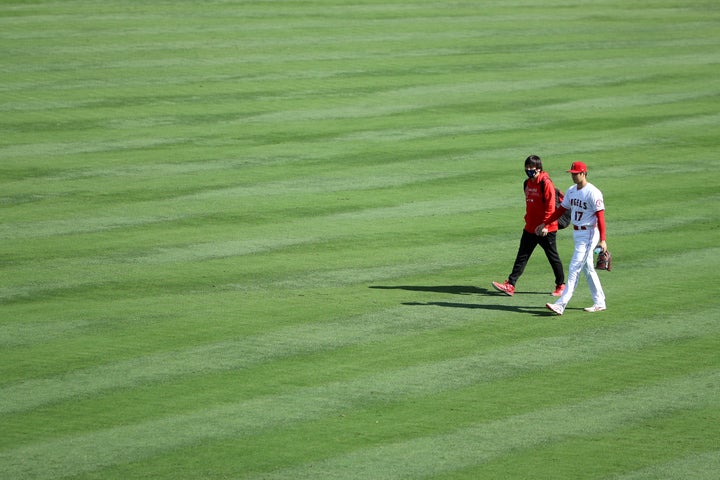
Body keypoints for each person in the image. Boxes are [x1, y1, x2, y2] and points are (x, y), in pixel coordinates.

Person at [536, 161, 607, 315]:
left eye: (575, 173)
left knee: (574, 267)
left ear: (583, 173)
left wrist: (603, 239)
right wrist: (545, 223)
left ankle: (560, 305)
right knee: (587, 269)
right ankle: (600, 301)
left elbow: (600, 217)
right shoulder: (571, 191)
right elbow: (561, 210)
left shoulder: (593, 192)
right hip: (577, 233)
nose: (573, 176)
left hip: (589, 233)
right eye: (572, 173)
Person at [492, 155, 565, 297]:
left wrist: (546, 225)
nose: (528, 170)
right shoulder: (527, 183)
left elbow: (551, 207)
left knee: (552, 257)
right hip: (531, 227)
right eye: (527, 167)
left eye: (531, 167)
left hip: (546, 229)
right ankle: (510, 284)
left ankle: (561, 285)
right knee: (522, 255)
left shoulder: (546, 183)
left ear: (538, 168)